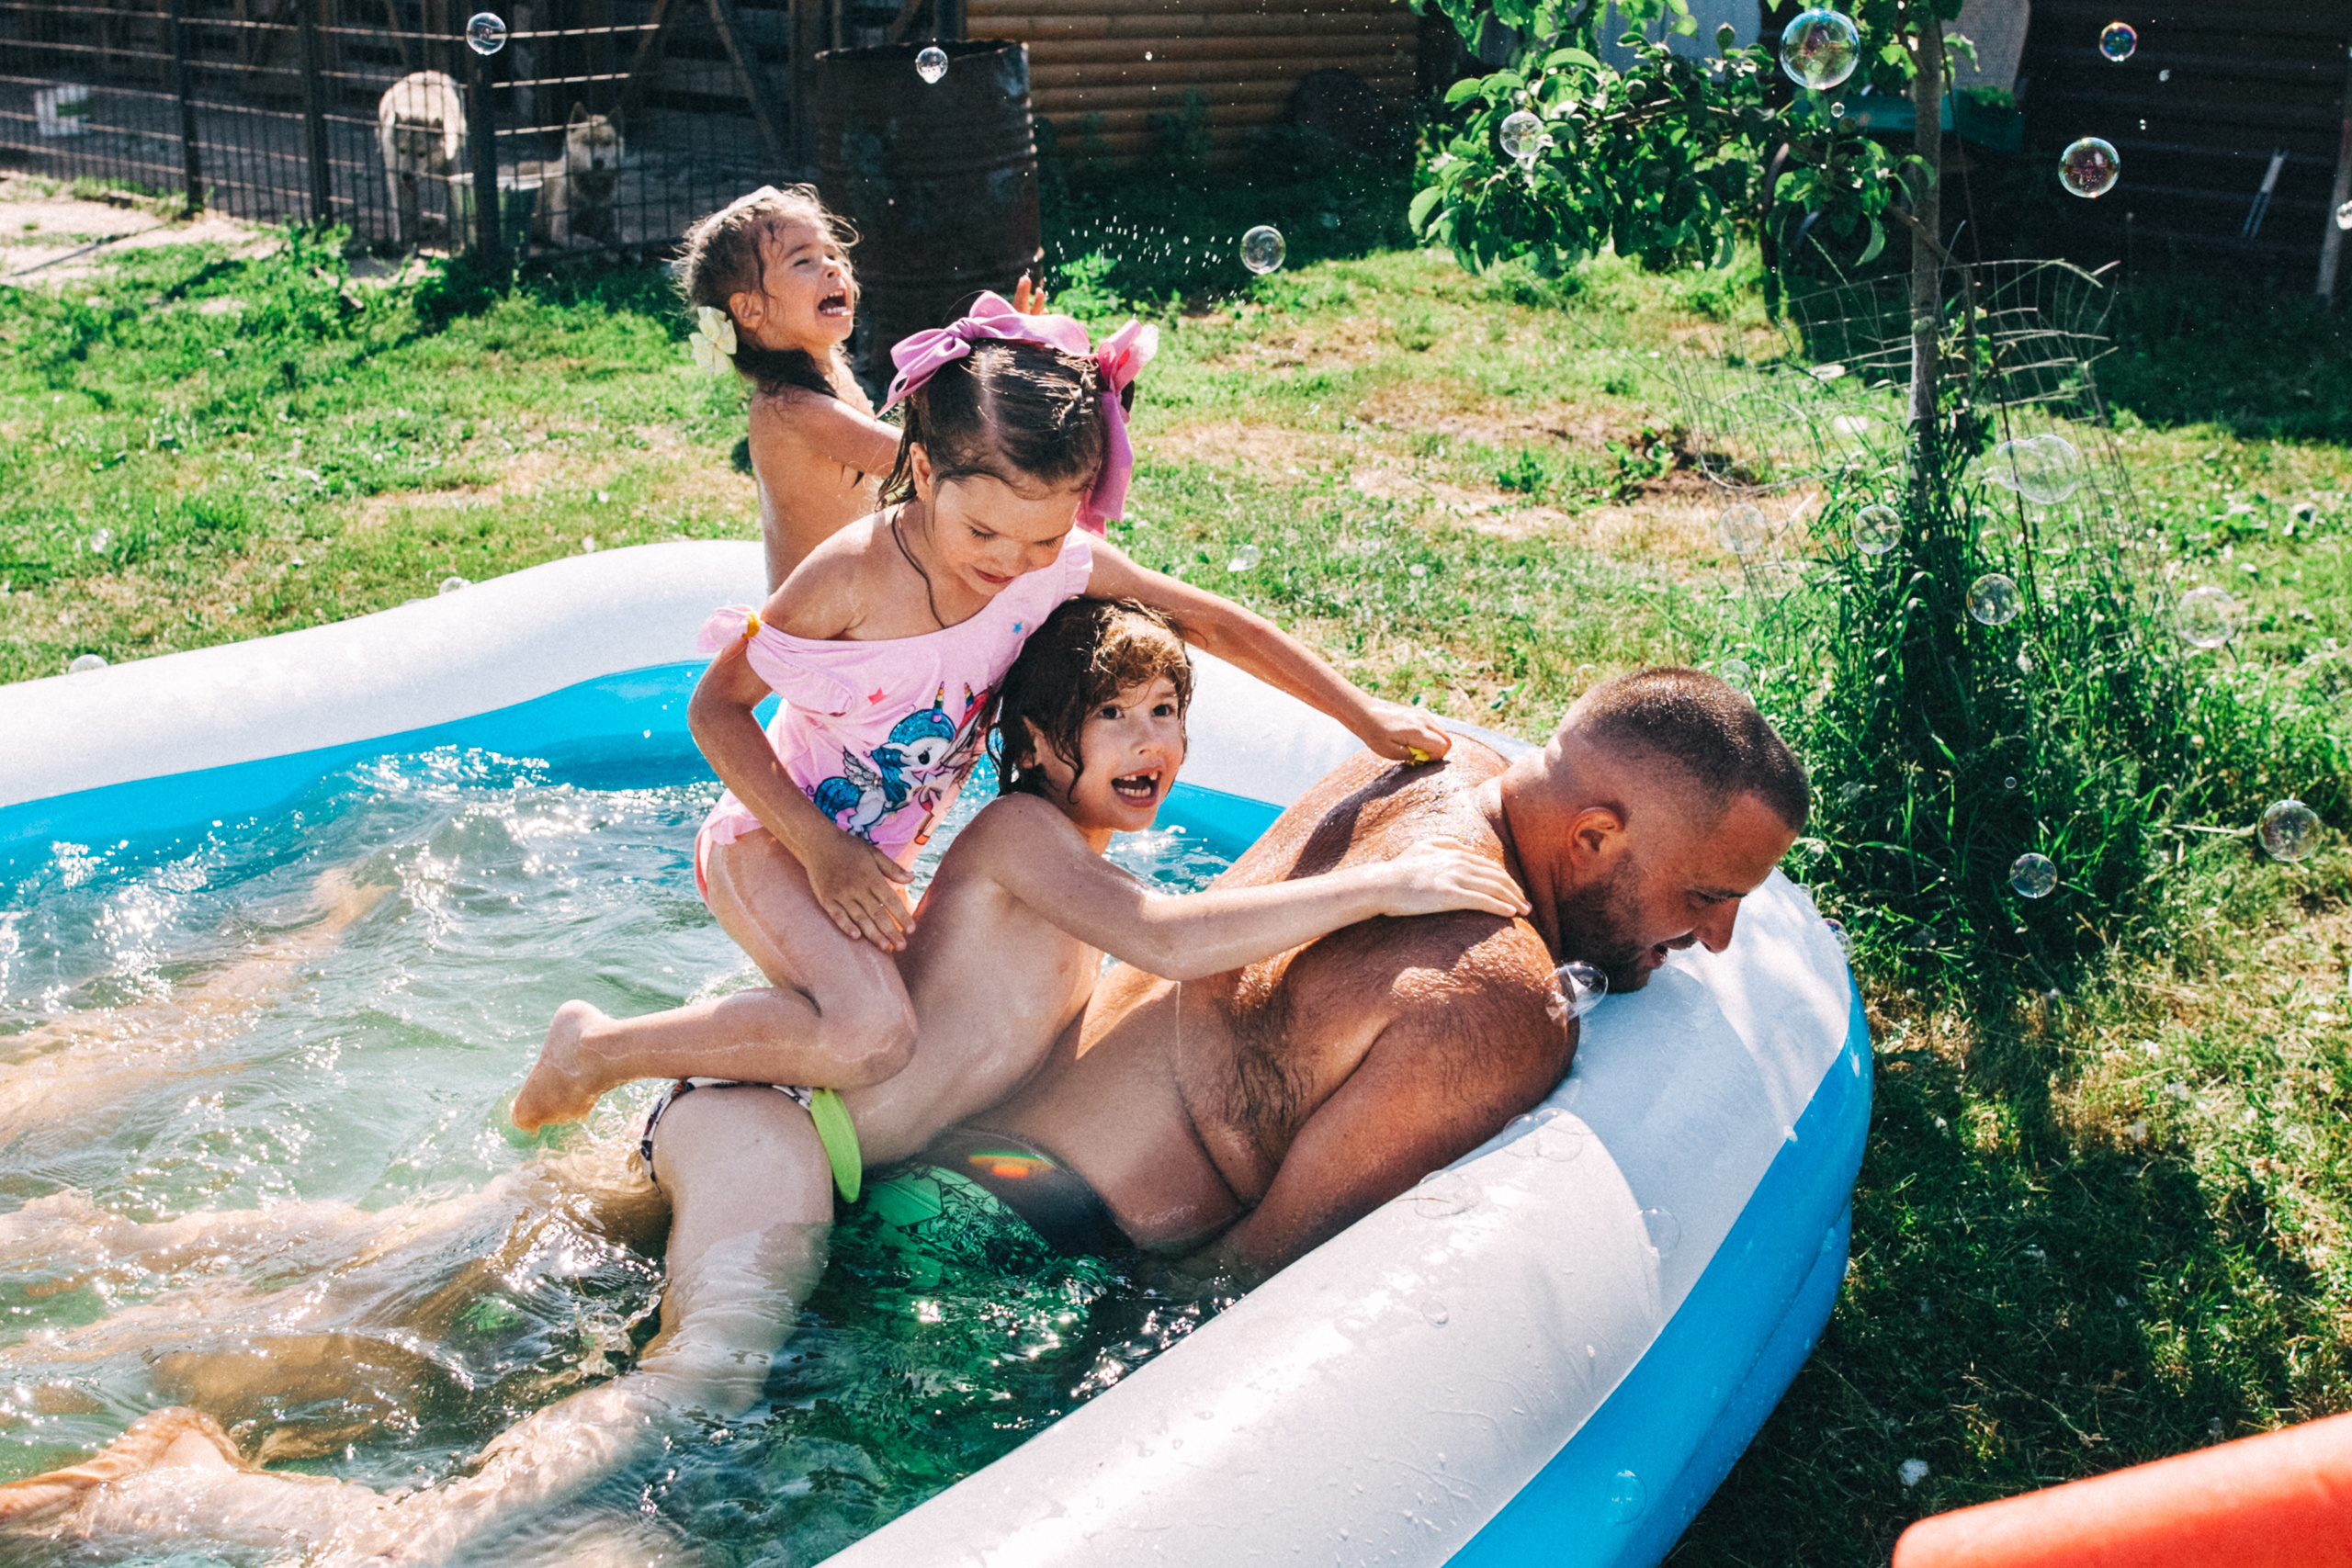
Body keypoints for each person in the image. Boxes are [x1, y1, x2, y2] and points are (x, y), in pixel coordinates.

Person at [0, 601, 1513, 1562]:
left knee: (438, 1259)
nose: (1157, 746)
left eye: (1170, 716)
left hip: (775, 1125)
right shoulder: (1037, 850)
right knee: (694, 1387)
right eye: (1119, 719)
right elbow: (1179, 940)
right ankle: (412, 1540)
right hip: (785, 1133)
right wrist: (1369, 898)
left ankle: (88, 1278)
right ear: (1041, 744)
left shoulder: (1055, 869)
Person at [506, 294, 1452, 1142]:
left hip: (873, 860)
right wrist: (820, 851)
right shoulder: (851, 575)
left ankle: (722, 1103)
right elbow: (714, 709)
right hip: (770, 836)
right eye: (983, 533)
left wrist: (1359, 713)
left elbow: (1206, 616)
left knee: (879, 1035)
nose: (1009, 562)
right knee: (872, 1035)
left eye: (1042, 536)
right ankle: (597, 1047)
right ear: (920, 471)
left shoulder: (1056, 566)